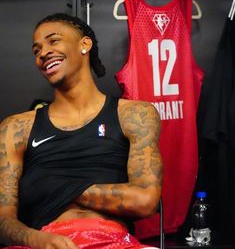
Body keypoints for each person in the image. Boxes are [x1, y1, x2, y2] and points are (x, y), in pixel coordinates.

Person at [0, 13, 162, 249]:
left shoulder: (135, 114)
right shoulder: (15, 128)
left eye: (53, 41)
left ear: (84, 45)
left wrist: (54, 187)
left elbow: (145, 200)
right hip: (44, 241)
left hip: (114, 241)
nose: (43, 53)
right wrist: (37, 239)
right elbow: (3, 220)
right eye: (36, 50)